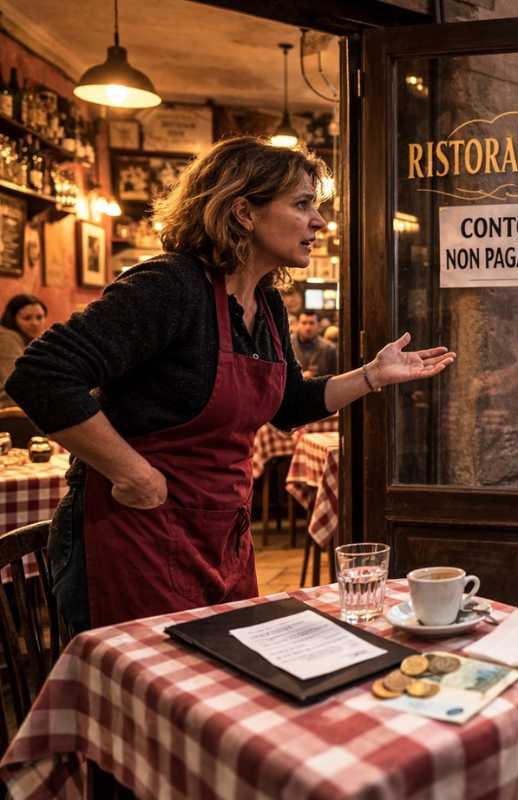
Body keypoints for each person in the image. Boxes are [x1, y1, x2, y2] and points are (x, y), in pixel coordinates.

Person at [5, 137, 455, 634]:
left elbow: (287, 405)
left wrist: (372, 375)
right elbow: (42, 374)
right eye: (303, 204)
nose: (320, 222)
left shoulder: (266, 305)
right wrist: (132, 472)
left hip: (220, 531)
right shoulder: (170, 285)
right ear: (243, 211)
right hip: (134, 529)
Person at [0, 294, 47, 407]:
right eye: (27, 318)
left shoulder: (33, 342)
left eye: (39, 317)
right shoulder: (7, 338)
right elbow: (14, 386)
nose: (35, 323)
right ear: (12, 319)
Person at [292, 309, 338, 377]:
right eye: (304, 323)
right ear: (298, 324)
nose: (308, 327)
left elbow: (334, 377)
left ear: (318, 325)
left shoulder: (329, 348)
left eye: (311, 323)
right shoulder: (288, 345)